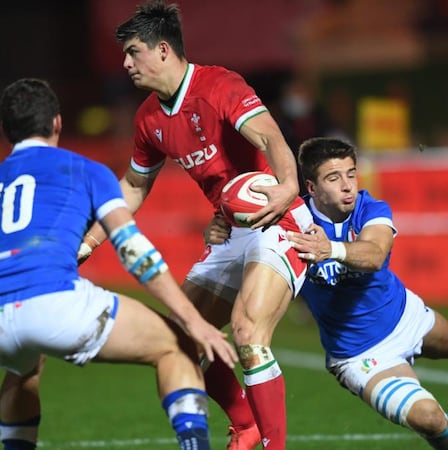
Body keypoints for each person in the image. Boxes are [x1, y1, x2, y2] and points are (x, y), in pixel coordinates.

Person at [0, 78, 238, 450]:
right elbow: (134, 252)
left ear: (4, 131)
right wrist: (193, 321)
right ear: (57, 123)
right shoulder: (84, 170)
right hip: (51, 303)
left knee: (23, 367)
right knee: (176, 346)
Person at [78, 2, 313, 449]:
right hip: (228, 228)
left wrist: (287, 187)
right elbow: (134, 186)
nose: (125, 63)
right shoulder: (148, 119)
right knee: (181, 336)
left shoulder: (219, 86)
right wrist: (88, 241)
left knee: (248, 333)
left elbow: (270, 135)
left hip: (275, 217)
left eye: (133, 52)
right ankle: (246, 425)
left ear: (163, 50)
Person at [286, 137, 448, 450]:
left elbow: (374, 254)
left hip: (404, 313)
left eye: (351, 174)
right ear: (312, 188)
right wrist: (222, 228)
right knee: (430, 419)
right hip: (360, 353)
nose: (347, 186)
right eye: (334, 178)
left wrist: (331, 249)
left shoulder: (371, 208)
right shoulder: (292, 222)